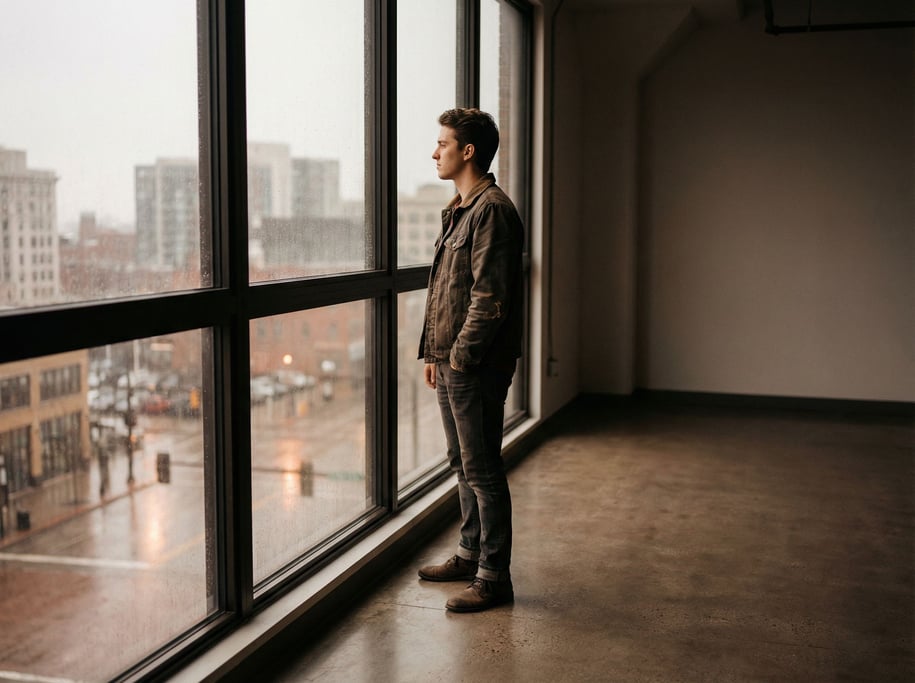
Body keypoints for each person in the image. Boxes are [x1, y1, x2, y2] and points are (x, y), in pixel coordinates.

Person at [416, 108, 524, 612]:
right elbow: (446, 290)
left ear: (468, 151)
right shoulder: (459, 209)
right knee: (462, 463)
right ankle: (469, 553)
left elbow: (489, 298)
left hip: (475, 365)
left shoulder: (492, 211)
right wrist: (435, 353)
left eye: (442, 143)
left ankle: (493, 577)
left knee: (482, 469)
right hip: (455, 361)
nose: (434, 152)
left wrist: (458, 357)